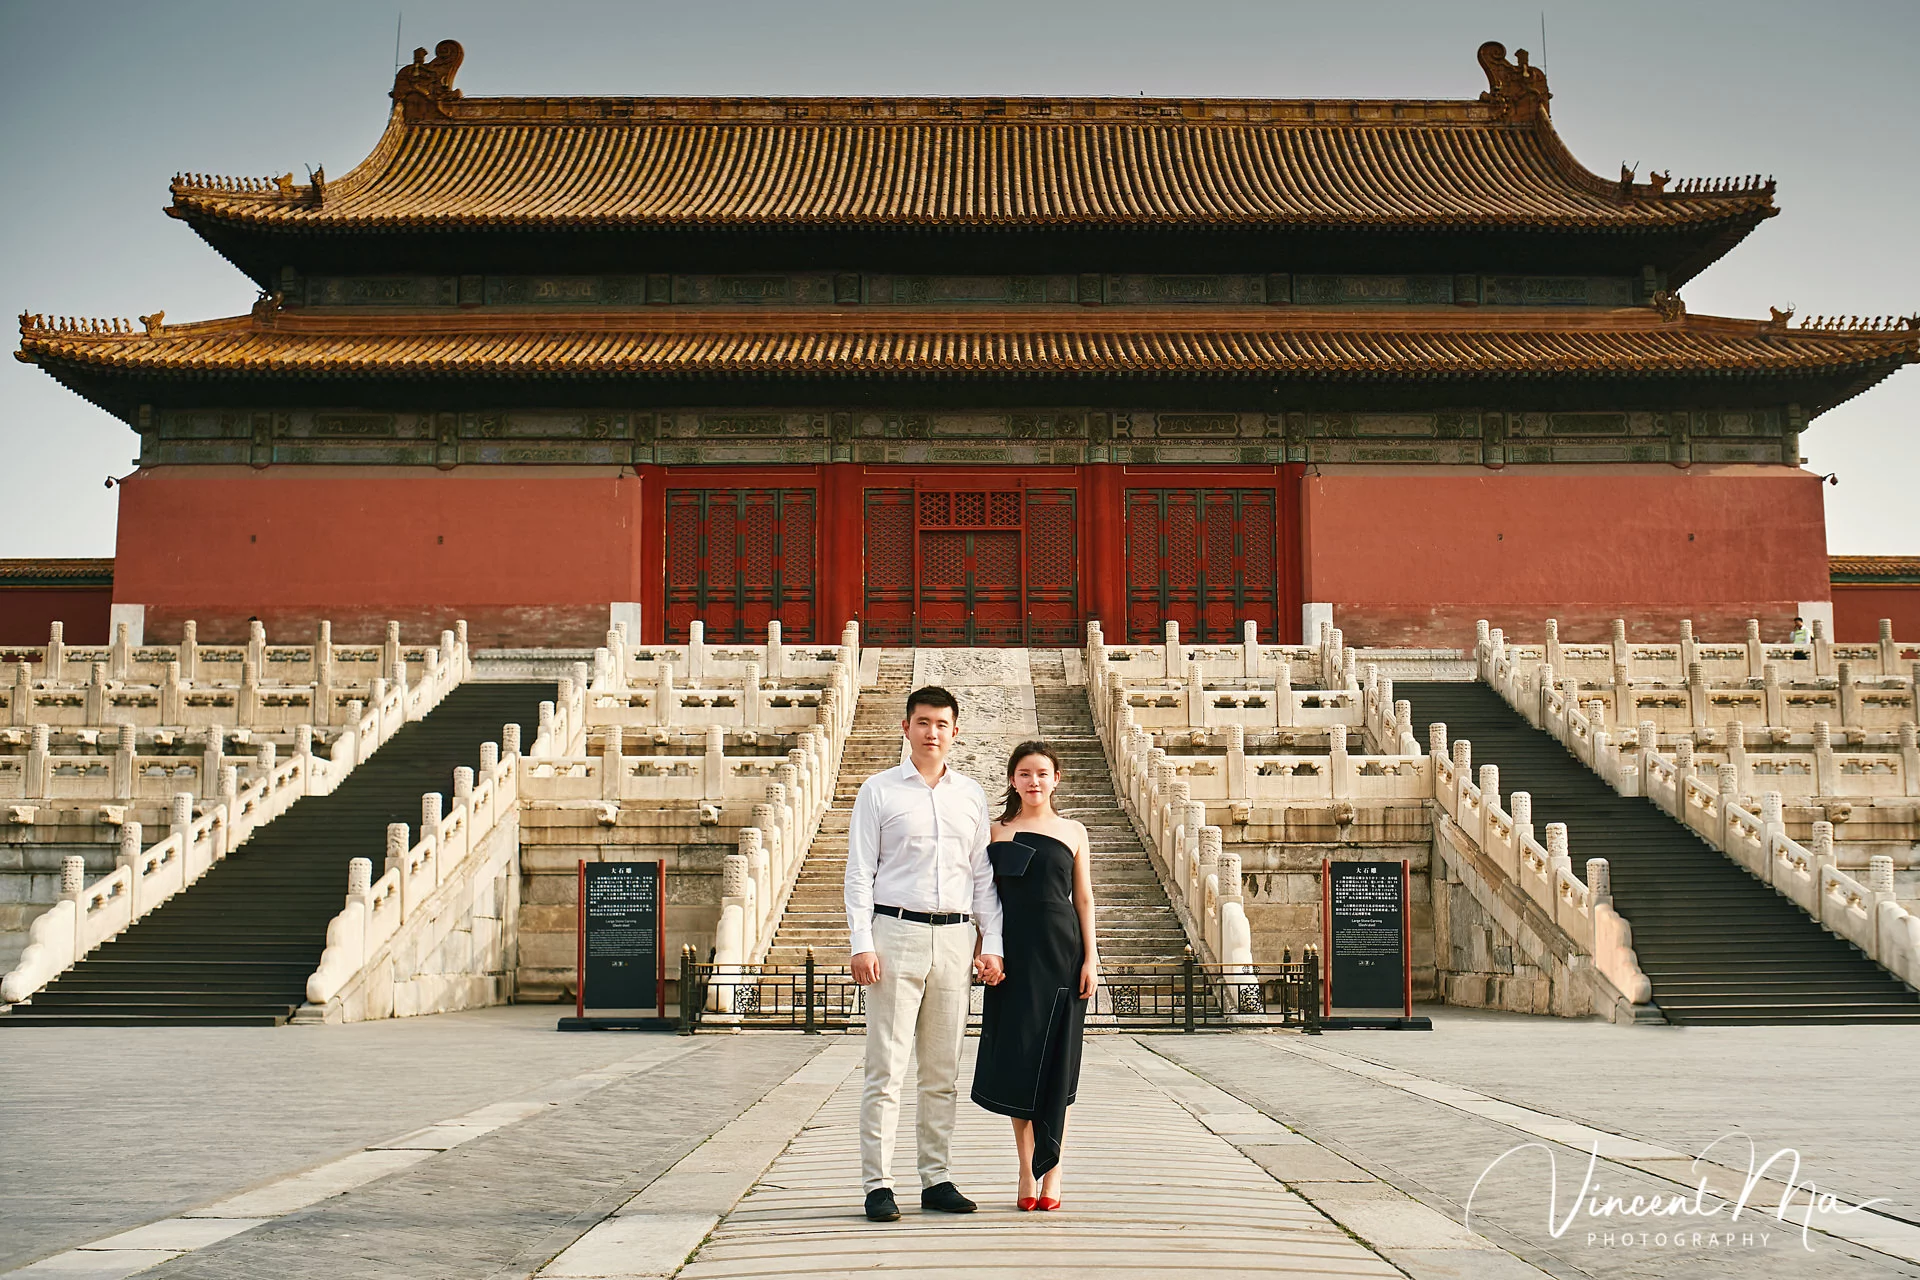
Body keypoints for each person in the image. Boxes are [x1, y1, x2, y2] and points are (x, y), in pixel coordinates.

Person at [845, 685, 1005, 1223]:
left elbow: (982, 876)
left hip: (956, 938)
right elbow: (859, 874)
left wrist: (992, 944)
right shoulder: (879, 791)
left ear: (955, 730)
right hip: (896, 934)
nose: (931, 732)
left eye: (941, 723)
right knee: (885, 1067)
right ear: (906, 728)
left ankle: (935, 1177)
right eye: (922, 722)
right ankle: (878, 1184)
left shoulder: (972, 795)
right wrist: (861, 943)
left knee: (941, 1070)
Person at [970, 741, 1098, 1212]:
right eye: (1024, 773)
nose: (1034, 781)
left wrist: (1092, 958)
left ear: (1056, 778)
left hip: (1062, 954)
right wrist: (985, 951)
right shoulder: (995, 832)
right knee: (1020, 1061)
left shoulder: (1074, 831)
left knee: (1055, 1061)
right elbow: (983, 900)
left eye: (1042, 773)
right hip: (1014, 958)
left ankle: (1054, 1167)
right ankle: (1027, 1169)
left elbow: (1082, 899)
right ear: (1012, 780)